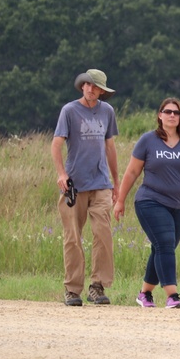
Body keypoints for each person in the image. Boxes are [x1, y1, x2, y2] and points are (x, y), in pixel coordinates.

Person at [114, 98, 180, 309]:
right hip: (150, 201)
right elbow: (132, 172)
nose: (171, 115)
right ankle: (172, 295)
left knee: (161, 248)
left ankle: (144, 294)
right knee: (165, 243)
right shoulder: (148, 140)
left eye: (176, 113)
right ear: (160, 115)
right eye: (167, 112)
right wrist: (120, 200)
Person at [51, 69, 120, 307]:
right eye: (87, 85)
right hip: (74, 185)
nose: (90, 89)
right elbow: (56, 145)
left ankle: (97, 286)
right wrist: (62, 174)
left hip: (101, 183)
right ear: (82, 86)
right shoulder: (69, 111)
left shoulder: (107, 112)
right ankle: (72, 289)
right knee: (73, 237)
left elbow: (110, 148)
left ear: (102, 90)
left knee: (103, 234)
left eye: (95, 86)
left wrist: (116, 183)